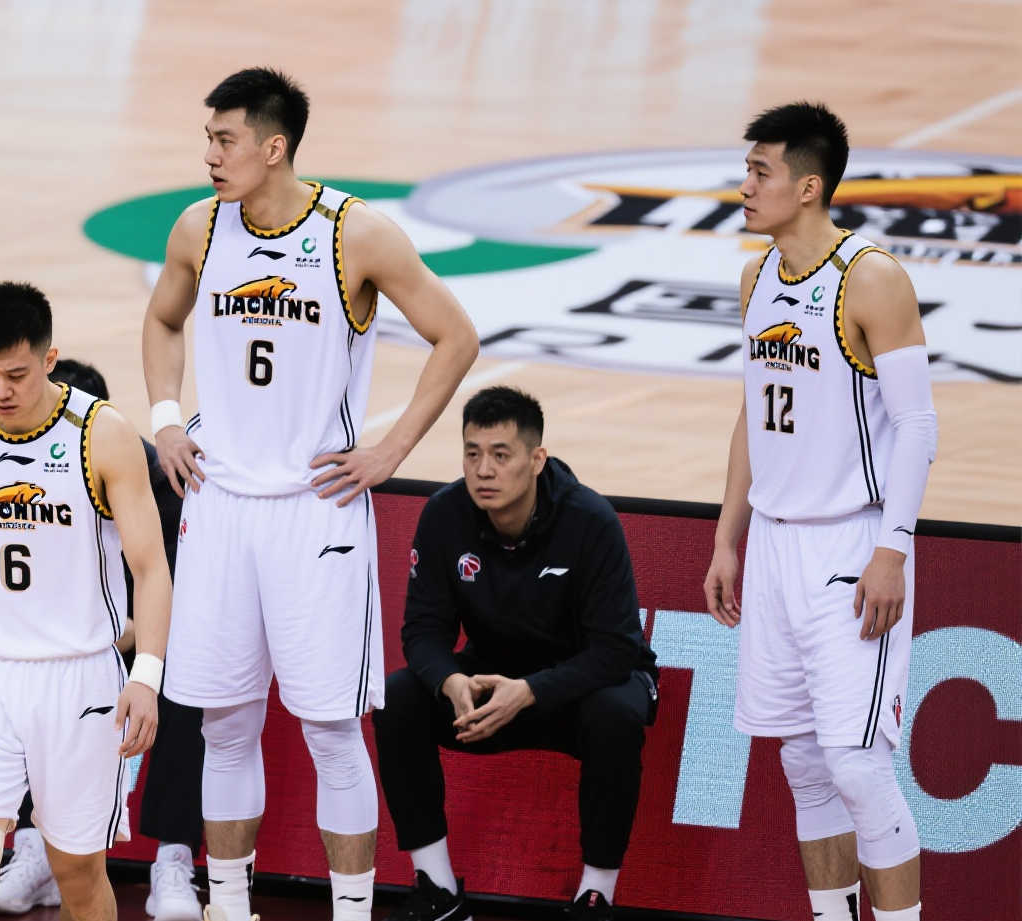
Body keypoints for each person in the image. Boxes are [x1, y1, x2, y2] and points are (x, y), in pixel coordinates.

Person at [139, 67, 478, 921]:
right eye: (208, 138)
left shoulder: (354, 234)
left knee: (331, 729)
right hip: (219, 504)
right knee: (224, 724)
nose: (209, 154)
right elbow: (163, 318)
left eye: (225, 140)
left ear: (273, 146)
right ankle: (228, 908)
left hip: (314, 511)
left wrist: (391, 449)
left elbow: (456, 335)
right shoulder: (197, 227)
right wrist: (167, 419)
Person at [702, 101, 935, 921]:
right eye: (746, 170)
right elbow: (754, 415)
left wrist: (892, 549)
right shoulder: (756, 277)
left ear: (808, 186)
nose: (744, 186)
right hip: (774, 544)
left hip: (851, 544)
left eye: (759, 171)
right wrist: (728, 537)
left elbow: (918, 424)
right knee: (804, 762)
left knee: (857, 764)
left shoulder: (870, 278)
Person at [0, 281, 172, 921]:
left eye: (16, 375)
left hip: (77, 680)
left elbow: (151, 567)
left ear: (49, 359)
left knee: (78, 877)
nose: (0, 391)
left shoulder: (103, 436)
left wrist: (147, 677)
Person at [375, 387, 657, 921]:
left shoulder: (590, 521)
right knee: (398, 697)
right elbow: (423, 631)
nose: (484, 470)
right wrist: (450, 681)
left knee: (616, 714)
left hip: (581, 689)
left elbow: (617, 649)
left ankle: (596, 897)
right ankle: (438, 891)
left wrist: (530, 691)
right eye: (472, 453)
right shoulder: (444, 515)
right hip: (493, 685)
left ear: (537, 459)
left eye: (500, 455)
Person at [0, 358, 202, 921]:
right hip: (64, 638)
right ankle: (34, 851)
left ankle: (173, 859)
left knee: (186, 682)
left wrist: (126, 639)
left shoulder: (152, 475)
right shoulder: (16, 471)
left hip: (143, 635)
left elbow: (172, 583)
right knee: (25, 676)